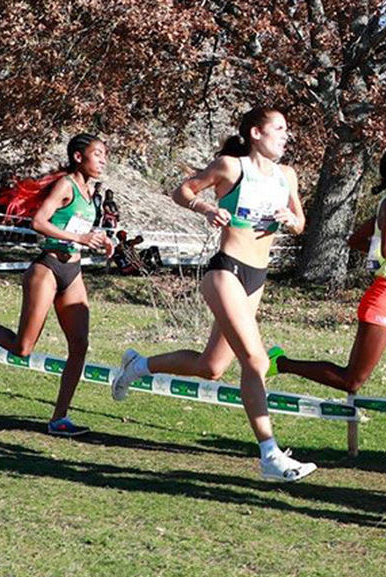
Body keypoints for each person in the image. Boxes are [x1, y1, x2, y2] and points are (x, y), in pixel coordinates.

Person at [109, 107, 316, 482]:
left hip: (258, 275)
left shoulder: (287, 176)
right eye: (280, 129)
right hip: (226, 270)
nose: (287, 136)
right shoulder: (231, 167)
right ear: (256, 133)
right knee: (256, 361)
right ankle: (269, 454)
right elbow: (182, 190)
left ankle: (137, 365)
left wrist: (292, 221)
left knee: (212, 368)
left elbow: (301, 223)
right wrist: (206, 207)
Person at [269, 148, 386, 478]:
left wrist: (378, 247)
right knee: (352, 379)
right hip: (385, 297)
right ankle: (280, 362)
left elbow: (360, 240)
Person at [0, 134, 113, 435]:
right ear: (79, 157)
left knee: (80, 345)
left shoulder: (90, 192)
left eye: (105, 154)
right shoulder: (65, 184)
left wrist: (100, 239)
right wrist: (80, 238)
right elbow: (39, 222)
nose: (103, 160)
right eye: (98, 154)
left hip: (74, 273)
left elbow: (73, 224)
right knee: (23, 347)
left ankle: (59, 419)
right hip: (47, 270)